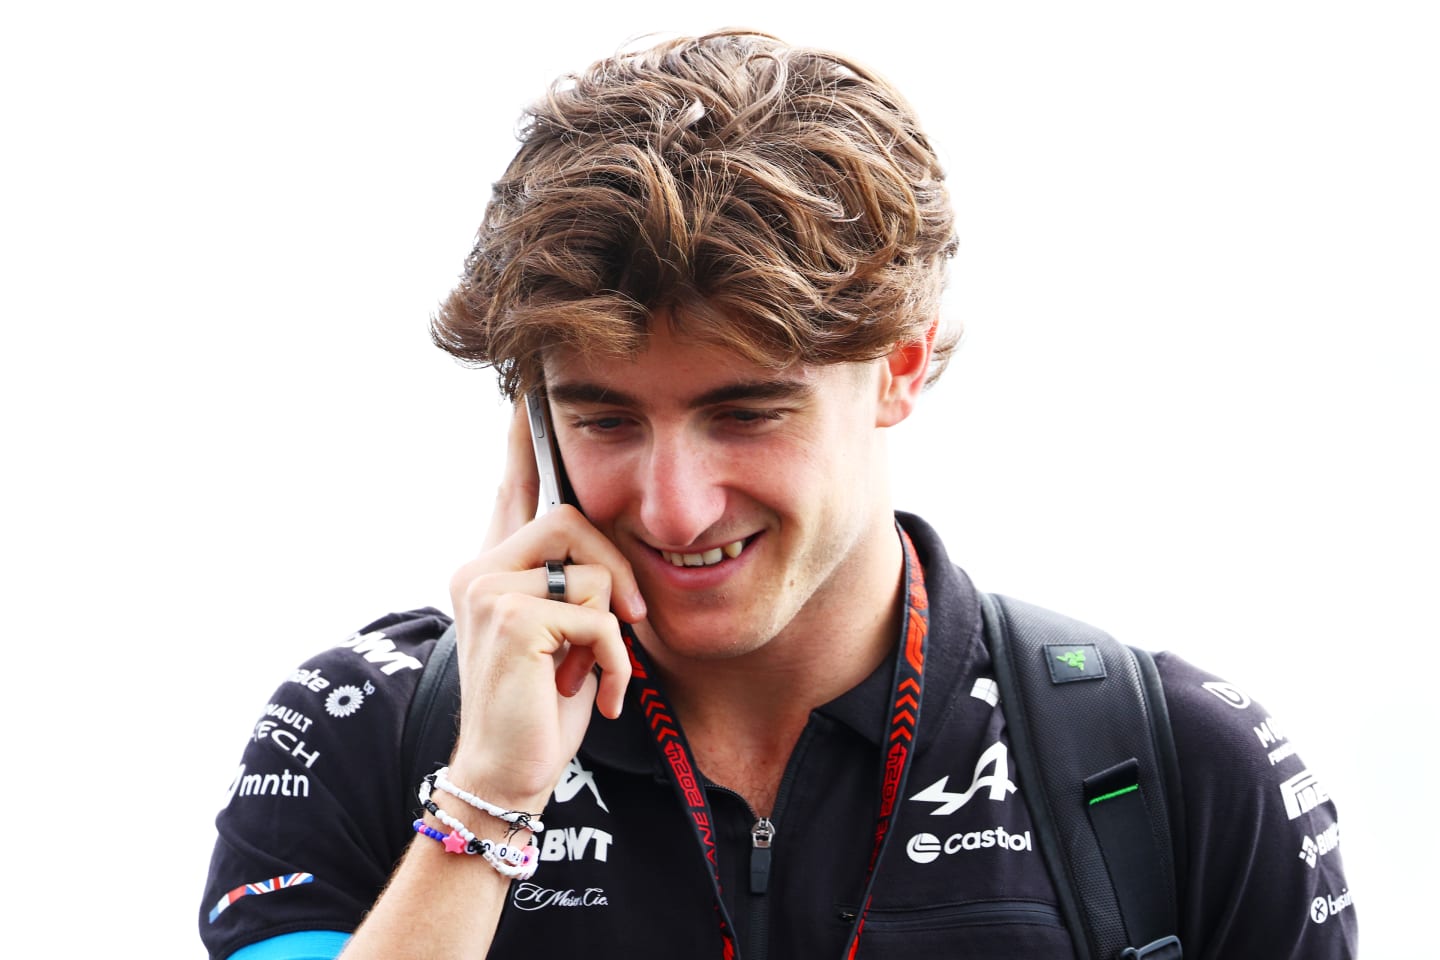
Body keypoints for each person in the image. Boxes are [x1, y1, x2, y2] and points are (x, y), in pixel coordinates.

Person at [200, 30, 1356, 959]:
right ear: (533, 420)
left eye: (746, 413)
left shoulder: (1168, 762)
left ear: (898, 367)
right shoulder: (362, 734)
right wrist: (487, 802)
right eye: (604, 417)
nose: (674, 507)